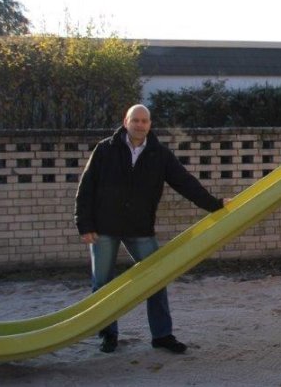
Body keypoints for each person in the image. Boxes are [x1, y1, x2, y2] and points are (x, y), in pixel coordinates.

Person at [75, 104, 227, 354]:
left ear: (150, 125)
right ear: (125, 122)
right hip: (104, 226)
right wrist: (84, 223)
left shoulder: (159, 154)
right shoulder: (105, 149)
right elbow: (86, 187)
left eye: (144, 121)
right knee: (102, 283)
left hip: (140, 228)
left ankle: (162, 335)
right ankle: (108, 335)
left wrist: (215, 205)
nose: (140, 125)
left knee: (157, 279)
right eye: (135, 120)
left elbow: (185, 182)